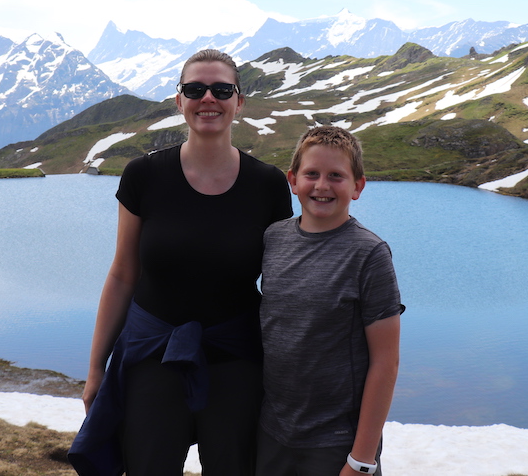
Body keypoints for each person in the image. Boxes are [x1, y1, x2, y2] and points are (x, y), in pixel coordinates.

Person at [69, 48, 294, 476]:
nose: (208, 98)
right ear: (179, 101)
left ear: (239, 101)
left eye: (221, 89)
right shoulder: (144, 175)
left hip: (237, 362)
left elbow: (283, 289)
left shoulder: (267, 184)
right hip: (152, 359)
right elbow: (122, 275)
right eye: (195, 89)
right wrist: (96, 369)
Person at [257, 125, 404, 476]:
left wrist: (362, 460)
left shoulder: (370, 253)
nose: (322, 186)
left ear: (357, 186)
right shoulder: (274, 238)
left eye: (336, 176)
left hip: (337, 444)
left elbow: (386, 362)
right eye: (312, 174)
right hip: (273, 434)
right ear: (293, 181)